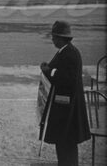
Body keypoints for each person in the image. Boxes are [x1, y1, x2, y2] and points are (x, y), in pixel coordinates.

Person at [39, 21, 90, 166]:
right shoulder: (65, 51)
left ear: (61, 38)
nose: (52, 39)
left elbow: (65, 78)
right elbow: (57, 69)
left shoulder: (70, 54)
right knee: (62, 143)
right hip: (64, 108)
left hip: (68, 109)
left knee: (67, 144)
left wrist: (48, 71)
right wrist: (47, 68)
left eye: (54, 37)